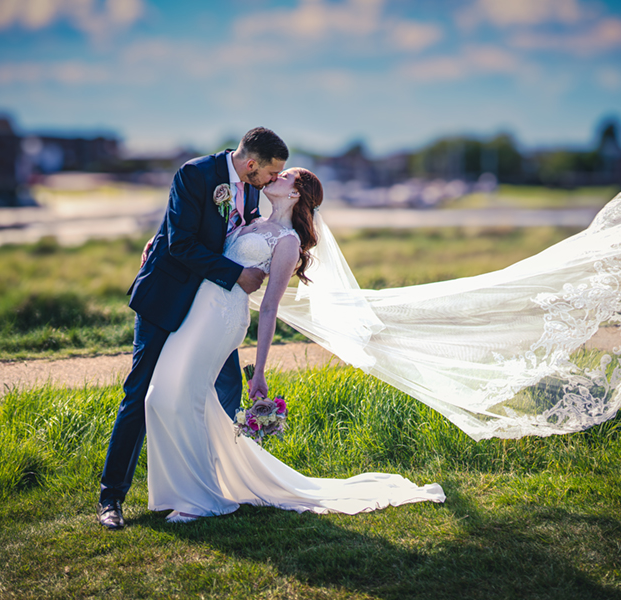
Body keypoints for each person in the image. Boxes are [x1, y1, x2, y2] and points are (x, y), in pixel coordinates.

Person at [144, 167, 446, 522]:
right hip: (196, 314)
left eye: (285, 175)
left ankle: (203, 501)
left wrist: (259, 372)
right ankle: (185, 489)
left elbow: (270, 307)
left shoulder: (286, 241)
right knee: (161, 396)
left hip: (223, 320)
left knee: (188, 398)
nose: (276, 176)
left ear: (295, 194)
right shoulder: (250, 221)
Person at [97, 127, 289, 530]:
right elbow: (181, 243)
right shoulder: (195, 174)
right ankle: (111, 497)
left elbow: (232, 233)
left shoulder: (253, 188)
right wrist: (237, 274)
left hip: (210, 312)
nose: (274, 180)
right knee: (141, 393)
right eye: (271, 173)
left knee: (224, 393)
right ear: (251, 164)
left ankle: (213, 483)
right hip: (168, 299)